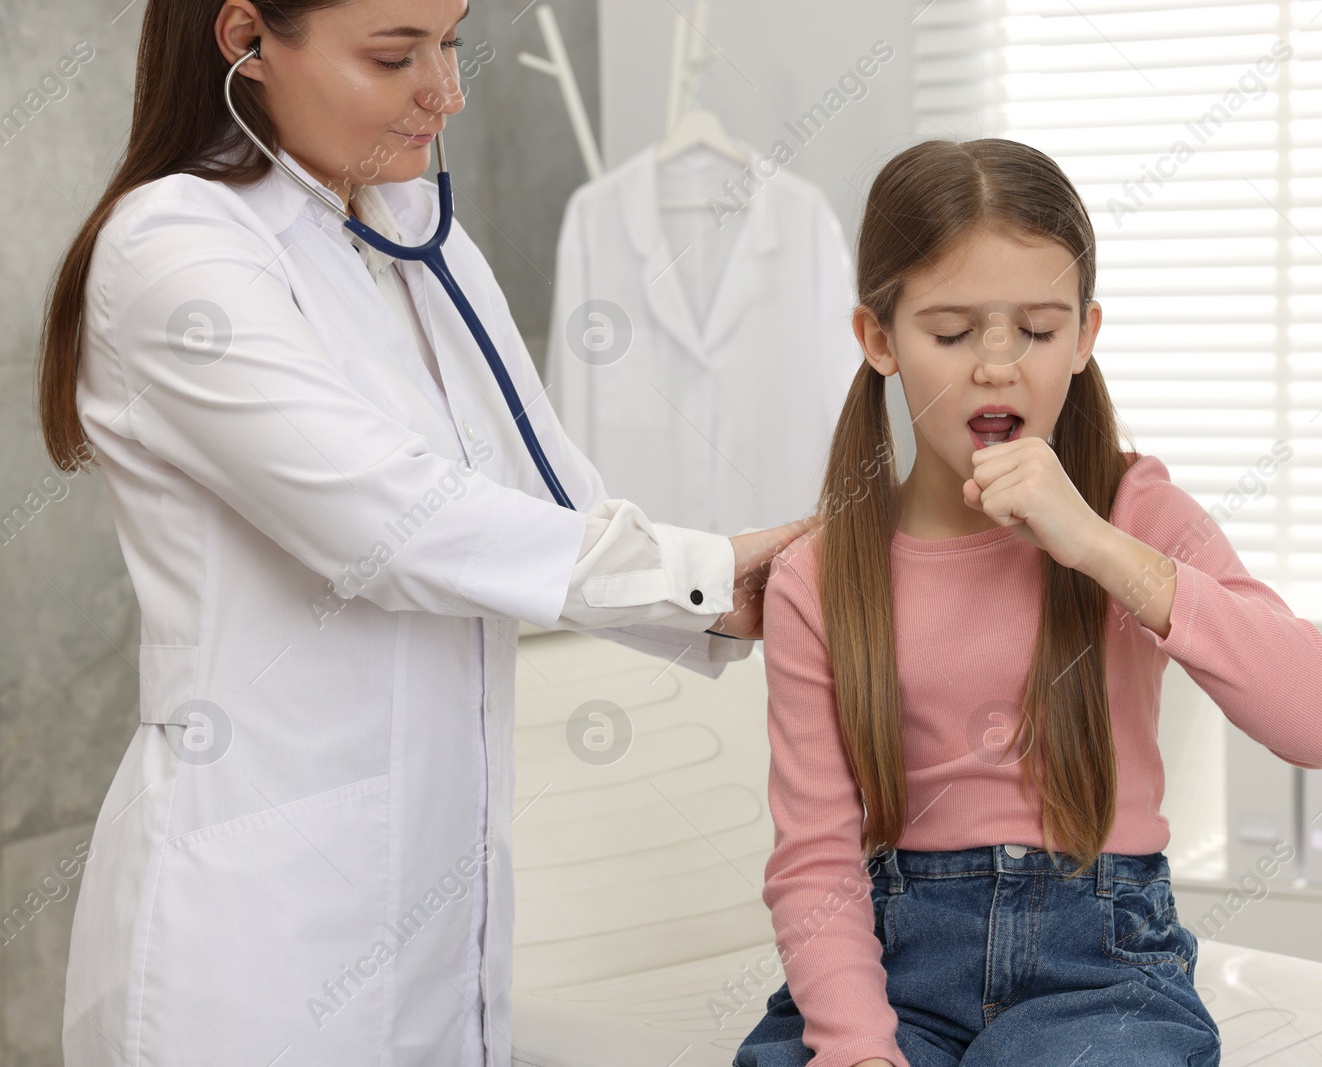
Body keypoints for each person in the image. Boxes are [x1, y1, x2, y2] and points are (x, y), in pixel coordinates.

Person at [34, 0, 813, 1063]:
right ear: (245, 39)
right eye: (395, 55)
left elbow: (553, 499)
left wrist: (754, 591)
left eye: (448, 41)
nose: (446, 90)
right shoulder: (173, 248)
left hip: (441, 909)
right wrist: (699, 577)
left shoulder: (414, 231)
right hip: (256, 936)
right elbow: (389, 519)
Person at [733, 138, 1322, 1067]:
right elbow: (816, 861)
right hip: (887, 972)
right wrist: (861, 1050)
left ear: (1084, 334)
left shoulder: (1134, 514)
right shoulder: (820, 578)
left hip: (1102, 973)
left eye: (1036, 330)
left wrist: (1100, 548)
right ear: (879, 340)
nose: (998, 366)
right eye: (952, 334)